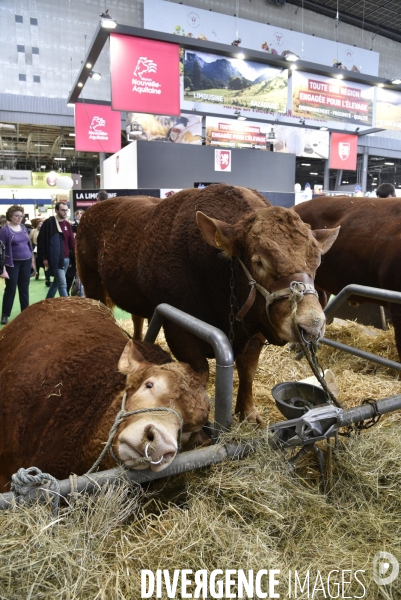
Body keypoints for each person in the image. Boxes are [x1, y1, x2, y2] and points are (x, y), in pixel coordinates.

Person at [0, 205, 36, 325]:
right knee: (10, 289)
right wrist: (2, 269)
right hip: (12, 263)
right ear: (10, 216)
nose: (19, 218)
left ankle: (25, 313)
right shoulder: (4, 230)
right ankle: (5, 314)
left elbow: (28, 245)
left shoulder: (24, 228)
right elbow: (1, 250)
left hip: (26, 261)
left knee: (24, 288)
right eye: (17, 216)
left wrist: (32, 261)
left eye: (21, 216)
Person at [37, 202, 75, 299]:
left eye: (66, 210)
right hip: (55, 258)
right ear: (56, 210)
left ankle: (48, 300)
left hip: (66, 258)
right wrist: (44, 257)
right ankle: (67, 304)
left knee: (57, 282)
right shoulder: (49, 223)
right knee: (62, 282)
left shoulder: (67, 224)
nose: (65, 212)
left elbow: (71, 242)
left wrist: (74, 258)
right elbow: (41, 241)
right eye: (62, 210)